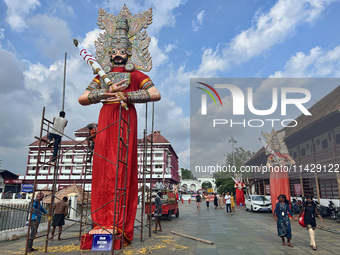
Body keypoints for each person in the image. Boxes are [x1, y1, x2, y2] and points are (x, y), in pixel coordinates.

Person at [77, 7, 161, 248]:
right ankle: (101, 220)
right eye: (113, 51)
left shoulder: (135, 74)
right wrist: (104, 93)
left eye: (122, 51)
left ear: (129, 52)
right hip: (106, 117)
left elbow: (155, 93)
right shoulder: (101, 76)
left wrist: (129, 97)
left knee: (121, 165)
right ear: (108, 52)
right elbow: (83, 98)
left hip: (126, 117)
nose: (117, 55)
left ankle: (118, 222)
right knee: (103, 166)